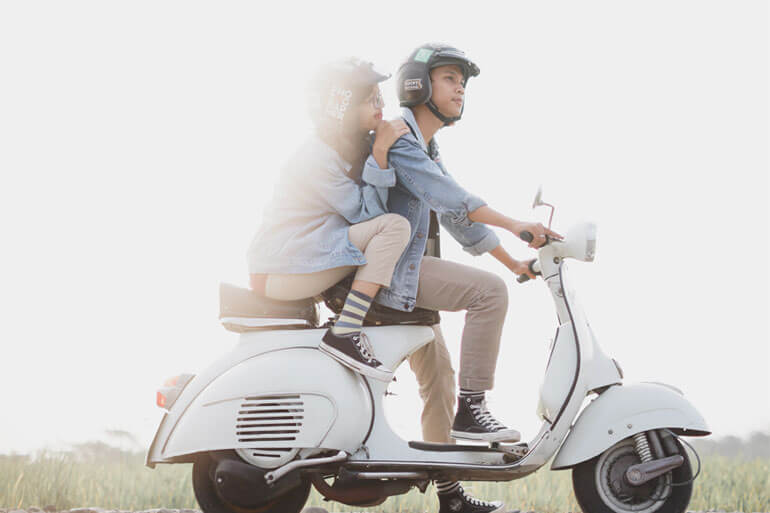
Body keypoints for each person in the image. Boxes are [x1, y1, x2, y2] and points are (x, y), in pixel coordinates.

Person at [360, 43, 563, 513]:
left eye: (463, 82)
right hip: (392, 276)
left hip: (406, 281)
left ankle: (450, 498)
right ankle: (473, 410)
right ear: (418, 84)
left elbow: (458, 218)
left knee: (440, 382)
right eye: (450, 78)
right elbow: (454, 198)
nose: (460, 89)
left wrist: (514, 263)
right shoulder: (402, 137)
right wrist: (515, 224)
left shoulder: (425, 144)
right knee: (487, 294)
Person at [246, 57, 412, 382]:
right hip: (280, 269)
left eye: (380, 97)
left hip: (302, 258)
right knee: (394, 227)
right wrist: (381, 153)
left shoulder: (344, 149)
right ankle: (345, 332)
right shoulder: (316, 156)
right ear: (343, 107)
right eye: (370, 99)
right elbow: (368, 215)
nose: (381, 106)